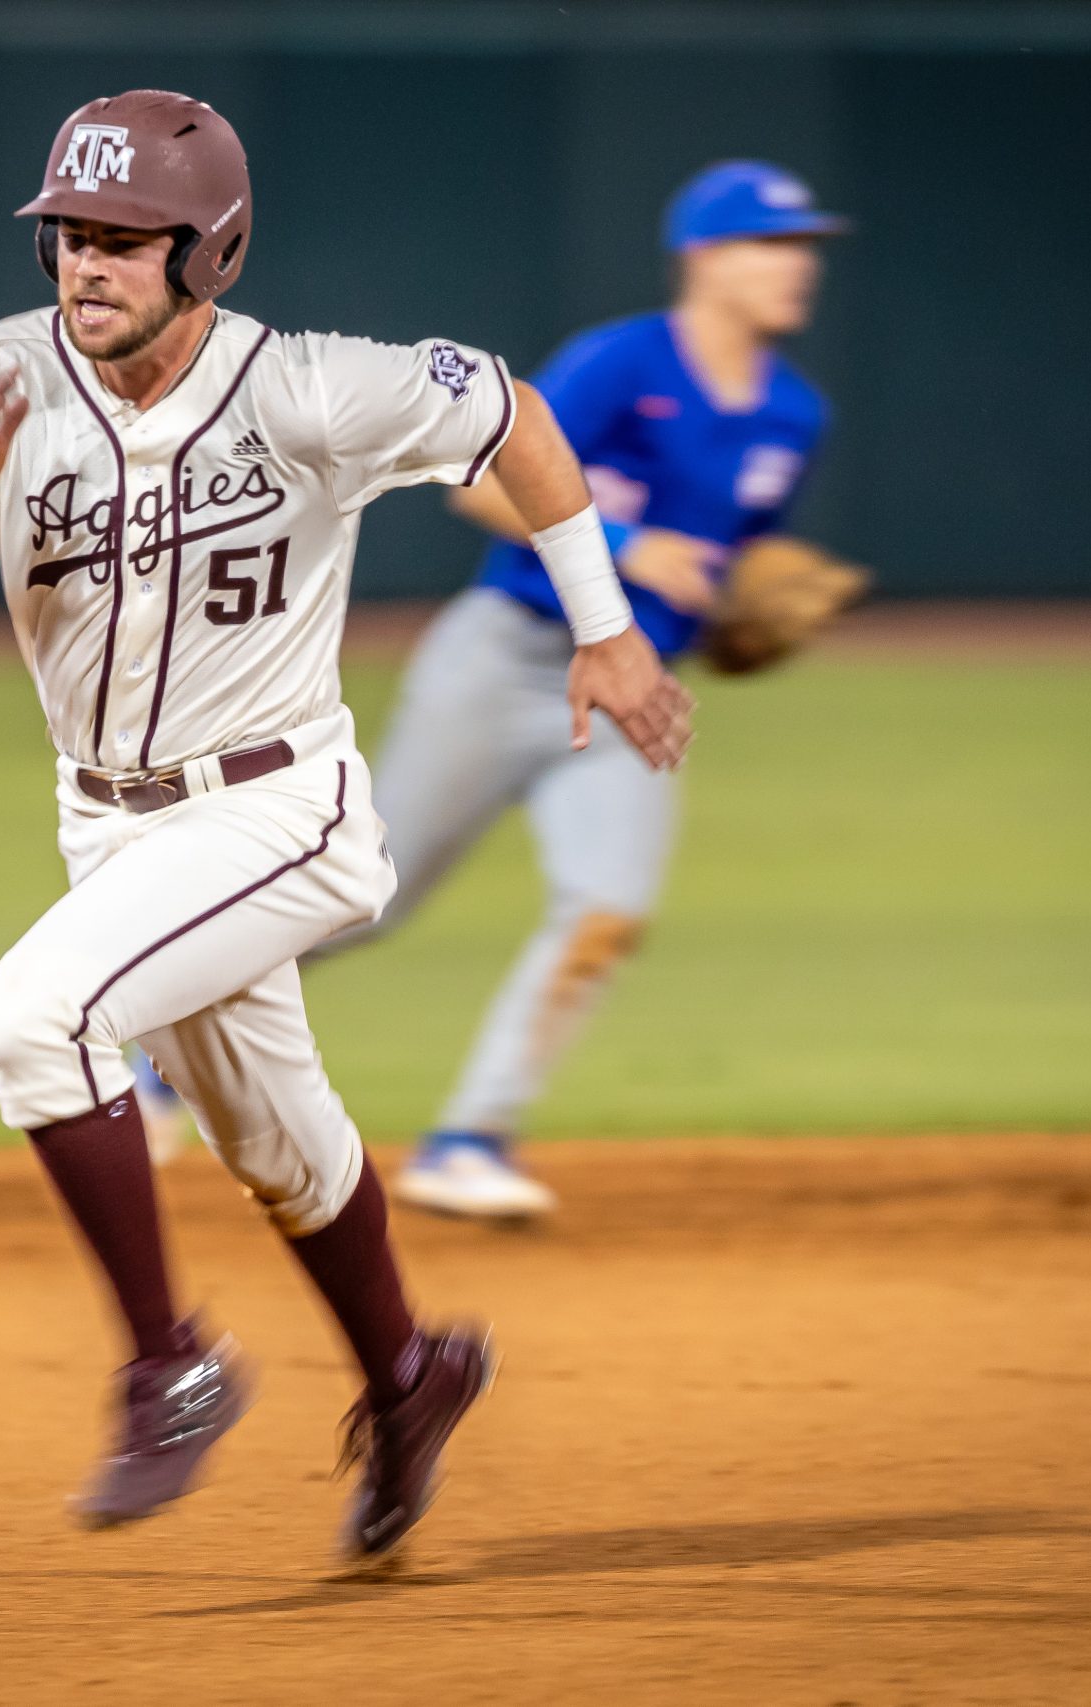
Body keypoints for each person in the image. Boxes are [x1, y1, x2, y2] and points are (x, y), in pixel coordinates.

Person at [0, 91, 692, 1556]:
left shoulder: (306, 387)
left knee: (37, 1021)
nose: (85, 265)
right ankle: (411, 1376)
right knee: (283, 1150)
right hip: (108, 827)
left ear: (209, 252)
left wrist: (604, 626)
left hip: (281, 804)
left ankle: (167, 1362)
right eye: (68, 235)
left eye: (125, 239)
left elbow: (514, 414)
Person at [315, 161, 842, 1222]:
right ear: (702, 258)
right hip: (503, 657)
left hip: (621, 695)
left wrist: (747, 610)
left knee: (608, 909)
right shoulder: (620, 363)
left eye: (804, 248)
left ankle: (468, 1138)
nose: (795, 268)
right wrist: (628, 543)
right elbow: (475, 480)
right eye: (770, 245)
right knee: (366, 896)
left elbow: (724, 570)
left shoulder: (792, 415)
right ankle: (162, 1056)